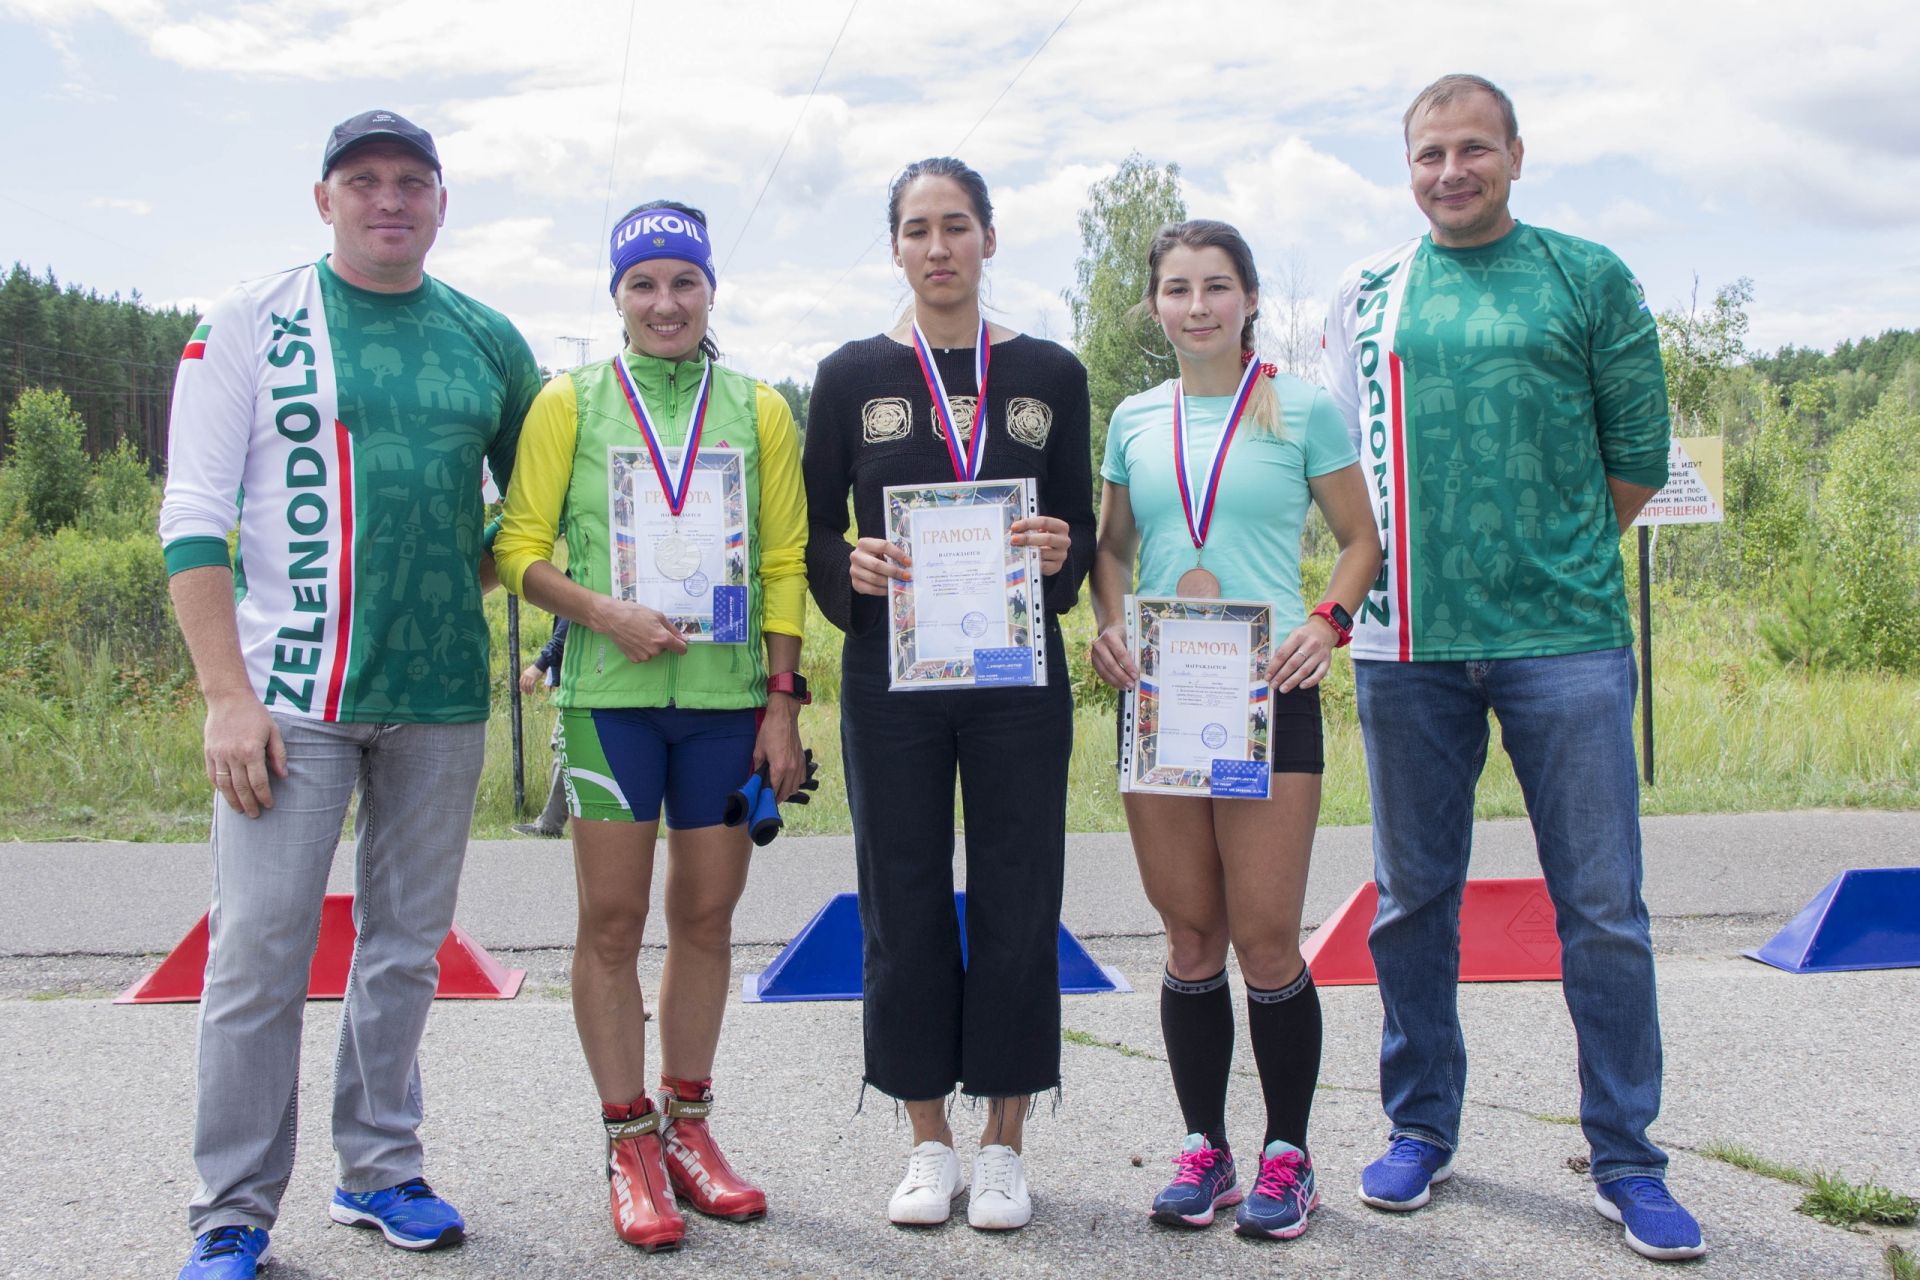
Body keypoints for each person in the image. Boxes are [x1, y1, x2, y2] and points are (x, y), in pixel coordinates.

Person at [1321, 73, 1702, 1262]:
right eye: (1429, 153)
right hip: (1406, 646)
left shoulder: (1589, 276)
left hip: (1567, 640)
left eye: (1472, 149)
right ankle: (1420, 1125)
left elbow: (1637, 453)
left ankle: (1629, 1156)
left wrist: (1553, 553)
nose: (1450, 171)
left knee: (1601, 908)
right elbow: (1341, 477)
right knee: (1412, 901)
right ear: (1408, 164)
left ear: (1517, 156)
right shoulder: (1368, 293)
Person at [157, 109, 543, 1280]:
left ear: (441, 201)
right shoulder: (249, 322)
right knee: (260, 949)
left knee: (405, 948)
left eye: (412, 182)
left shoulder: (488, 337)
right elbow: (191, 519)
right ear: (323, 198)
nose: (390, 199)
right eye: (364, 181)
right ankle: (231, 1209)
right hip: (288, 700)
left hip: (438, 696)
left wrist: (457, 573)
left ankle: (378, 1166)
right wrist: (226, 695)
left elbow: (529, 518)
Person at [493, 199, 808, 1254]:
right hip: (610, 701)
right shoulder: (567, 403)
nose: (665, 303)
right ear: (616, 296)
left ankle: (691, 1127)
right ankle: (627, 1137)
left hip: (725, 707)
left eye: (684, 282)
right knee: (614, 920)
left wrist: (782, 702)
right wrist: (602, 614)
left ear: (711, 289)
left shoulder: (758, 408)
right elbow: (519, 549)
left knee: (710, 918)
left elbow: (783, 564)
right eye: (644, 284)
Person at [802, 156, 1093, 1231]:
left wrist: (1059, 550)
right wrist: (852, 568)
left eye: (957, 225)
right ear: (894, 246)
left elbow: (1069, 536)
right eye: (918, 228)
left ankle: (1006, 1141)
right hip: (893, 679)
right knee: (904, 894)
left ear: (989, 238)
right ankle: (926, 1137)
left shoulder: (1051, 374)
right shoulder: (849, 374)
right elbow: (815, 533)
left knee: (1020, 894)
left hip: (1017, 678)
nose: (939, 246)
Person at [1088, 220, 1379, 1241]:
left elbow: (1360, 541)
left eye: (1217, 286)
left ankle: (1288, 1154)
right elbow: (1112, 550)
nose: (1197, 305)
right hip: (1162, 695)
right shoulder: (1132, 416)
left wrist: (1325, 623)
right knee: (1190, 933)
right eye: (1177, 288)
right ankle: (1205, 1148)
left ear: (1250, 298)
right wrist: (1107, 625)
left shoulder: (1299, 407)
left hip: (1268, 690)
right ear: (1155, 305)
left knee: (1263, 934)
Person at [514, 614, 570, 838]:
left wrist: (539, 666)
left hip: (580, 685)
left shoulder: (578, 580)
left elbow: (566, 630)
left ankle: (549, 825)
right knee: (564, 749)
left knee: (564, 748)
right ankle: (550, 822)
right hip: (577, 681)